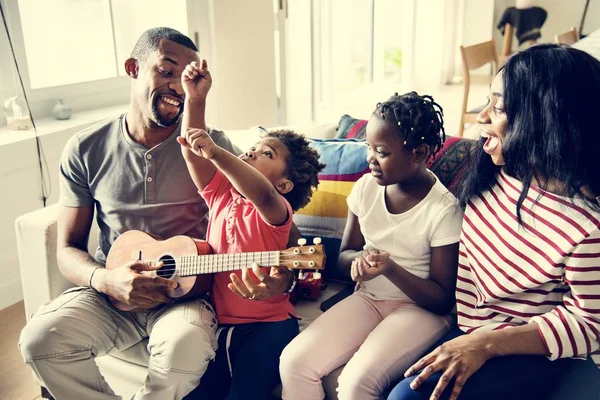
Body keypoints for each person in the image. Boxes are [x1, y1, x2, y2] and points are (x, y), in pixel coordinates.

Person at [18, 27, 242, 400]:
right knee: (39, 341)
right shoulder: (84, 148)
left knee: (183, 348)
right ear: (133, 68)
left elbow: (252, 221)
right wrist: (106, 280)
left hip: (185, 293)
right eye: (167, 71)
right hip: (112, 293)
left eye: (187, 79)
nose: (176, 88)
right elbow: (68, 249)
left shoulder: (211, 147)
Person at [388, 44, 600, 400]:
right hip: (472, 327)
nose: (481, 116)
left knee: (406, 397)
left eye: (498, 107)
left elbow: (592, 325)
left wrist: (486, 344)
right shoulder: (498, 171)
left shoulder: (587, 228)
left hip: (538, 350)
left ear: (544, 120)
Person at [279, 92, 464, 399]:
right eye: (368, 147)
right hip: (369, 298)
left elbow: (442, 300)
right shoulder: (366, 188)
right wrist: (359, 263)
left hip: (419, 310)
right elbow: (344, 256)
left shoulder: (444, 210)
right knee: (294, 362)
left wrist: (389, 268)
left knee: (355, 386)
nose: (370, 159)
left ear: (418, 153)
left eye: (382, 152)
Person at [176, 60, 325, 400]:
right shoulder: (221, 194)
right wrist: (195, 100)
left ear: (284, 184)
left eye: (265, 154)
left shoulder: (276, 210)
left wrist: (217, 153)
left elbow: (259, 190)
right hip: (218, 323)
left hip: (268, 327)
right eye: (254, 147)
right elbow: (191, 156)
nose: (252, 152)